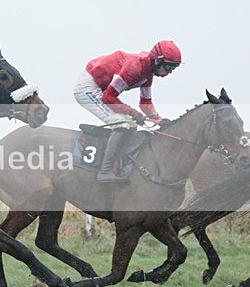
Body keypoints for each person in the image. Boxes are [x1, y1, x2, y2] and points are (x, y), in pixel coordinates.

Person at [73, 40, 182, 182]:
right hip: (87, 88)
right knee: (121, 123)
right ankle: (104, 171)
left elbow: (145, 104)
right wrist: (134, 114)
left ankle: (119, 163)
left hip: (100, 89)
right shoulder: (134, 68)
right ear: (157, 61)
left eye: (173, 69)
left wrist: (159, 120)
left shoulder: (147, 75)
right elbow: (109, 97)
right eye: (168, 67)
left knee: (130, 123)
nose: (169, 73)